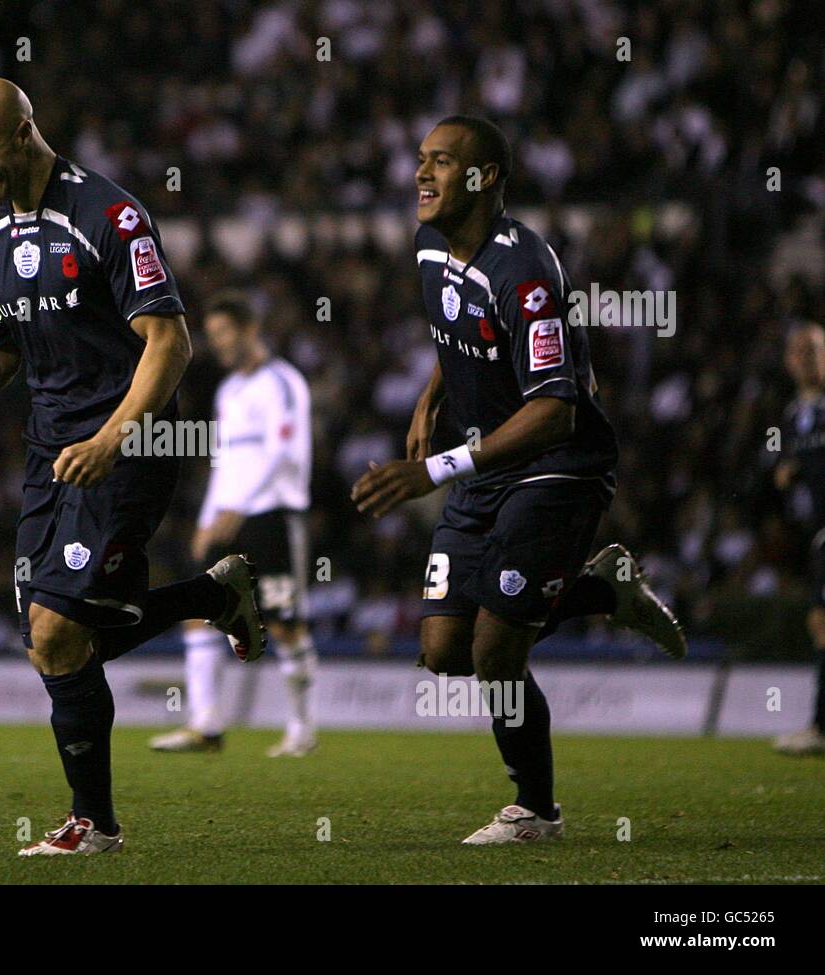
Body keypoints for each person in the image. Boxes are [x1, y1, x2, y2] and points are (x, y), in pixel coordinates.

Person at [0, 78, 265, 856]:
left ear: (25, 132)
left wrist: (114, 437)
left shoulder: (109, 217)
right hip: (51, 451)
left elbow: (171, 344)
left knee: (58, 630)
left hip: (133, 440)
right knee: (58, 639)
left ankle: (96, 825)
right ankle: (211, 595)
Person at [352, 116, 685, 845]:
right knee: (444, 650)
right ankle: (603, 591)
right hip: (488, 463)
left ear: (486, 176)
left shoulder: (527, 271)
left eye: (441, 161)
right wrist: (430, 395)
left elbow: (555, 411)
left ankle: (536, 809)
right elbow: (462, 331)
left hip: (555, 466)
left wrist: (434, 468)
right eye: (419, 160)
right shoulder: (428, 244)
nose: (421, 174)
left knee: (495, 651)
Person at [149, 291, 317, 757]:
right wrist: (208, 519)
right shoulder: (229, 391)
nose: (219, 342)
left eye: (225, 333)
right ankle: (206, 724)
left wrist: (236, 509)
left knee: (284, 625)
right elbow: (226, 464)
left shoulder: (282, 382)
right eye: (214, 335)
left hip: (271, 517)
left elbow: (282, 452)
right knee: (200, 615)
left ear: (249, 329)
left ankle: (302, 729)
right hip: (225, 520)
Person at [771, 322, 825, 755]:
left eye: (814, 349)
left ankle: (820, 727)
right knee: (818, 623)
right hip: (816, 533)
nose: (806, 357)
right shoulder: (793, 416)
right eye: (799, 351)